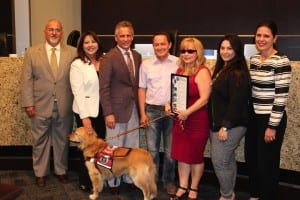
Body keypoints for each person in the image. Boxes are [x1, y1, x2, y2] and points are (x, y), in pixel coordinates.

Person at [20, 19, 77, 187]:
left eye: (57, 30)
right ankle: (40, 173)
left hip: (64, 105)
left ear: (62, 32)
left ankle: (61, 171)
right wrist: (28, 103)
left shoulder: (72, 52)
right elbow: (26, 80)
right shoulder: (32, 52)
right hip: (39, 105)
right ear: (45, 32)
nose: (54, 33)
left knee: (62, 141)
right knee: (40, 141)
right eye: (51, 29)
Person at [245, 20, 292, 200]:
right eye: (258, 35)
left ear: (274, 38)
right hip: (254, 116)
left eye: (266, 36)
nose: (261, 39)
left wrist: (272, 126)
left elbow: (281, 97)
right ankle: (255, 194)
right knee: (252, 159)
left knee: (267, 163)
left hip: (271, 118)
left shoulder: (281, 61)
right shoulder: (255, 59)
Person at [99, 20, 142, 195]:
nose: (125, 39)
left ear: (132, 37)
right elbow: (104, 88)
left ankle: (128, 177)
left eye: (128, 35)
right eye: (122, 35)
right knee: (112, 147)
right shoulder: (109, 57)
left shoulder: (137, 56)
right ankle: (111, 181)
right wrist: (108, 113)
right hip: (115, 112)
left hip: (133, 110)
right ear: (116, 37)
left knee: (131, 146)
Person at [166, 37, 211, 200]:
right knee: (181, 155)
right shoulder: (179, 71)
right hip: (181, 120)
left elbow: (205, 98)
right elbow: (176, 95)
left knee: (195, 156)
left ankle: (194, 187)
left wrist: (188, 112)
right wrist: (169, 105)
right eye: (183, 50)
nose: (186, 54)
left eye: (190, 51)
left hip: (197, 120)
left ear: (198, 52)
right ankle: (183, 185)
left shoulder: (202, 71)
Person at [208, 34, 251, 200]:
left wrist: (225, 126)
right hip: (219, 124)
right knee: (227, 160)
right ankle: (229, 193)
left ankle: (226, 195)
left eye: (229, 48)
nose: (225, 51)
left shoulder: (237, 72)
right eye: (223, 48)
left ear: (237, 50)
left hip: (230, 125)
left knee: (219, 161)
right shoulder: (223, 69)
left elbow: (237, 102)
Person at [138, 32, 178, 195]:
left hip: (171, 113)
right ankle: (151, 181)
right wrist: (142, 113)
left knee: (170, 153)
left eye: (163, 44)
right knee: (152, 151)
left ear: (169, 45)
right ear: (153, 46)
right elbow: (141, 89)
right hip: (152, 111)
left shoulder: (178, 62)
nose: (159, 47)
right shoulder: (146, 65)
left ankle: (168, 181)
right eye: (156, 44)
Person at [70, 31, 106, 192]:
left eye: (93, 41)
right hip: (86, 112)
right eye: (86, 42)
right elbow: (77, 93)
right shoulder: (77, 64)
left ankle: (99, 179)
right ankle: (85, 180)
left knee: (100, 147)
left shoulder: (105, 60)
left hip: (103, 111)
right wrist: (85, 119)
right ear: (81, 46)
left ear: (98, 43)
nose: (90, 45)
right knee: (87, 149)